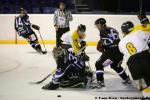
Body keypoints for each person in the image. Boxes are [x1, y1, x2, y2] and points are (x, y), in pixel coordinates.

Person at [94, 18, 131, 89]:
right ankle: (126, 79)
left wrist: (103, 47)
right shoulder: (112, 29)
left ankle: (100, 82)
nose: (97, 27)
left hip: (112, 51)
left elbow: (109, 42)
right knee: (115, 65)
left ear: (102, 25)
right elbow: (115, 40)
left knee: (98, 64)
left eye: (98, 25)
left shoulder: (102, 31)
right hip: (120, 50)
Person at [119, 21, 150, 89]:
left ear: (123, 31)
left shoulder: (121, 43)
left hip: (132, 65)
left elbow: (123, 52)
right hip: (146, 59)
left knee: (142, 87)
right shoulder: (138, 32)